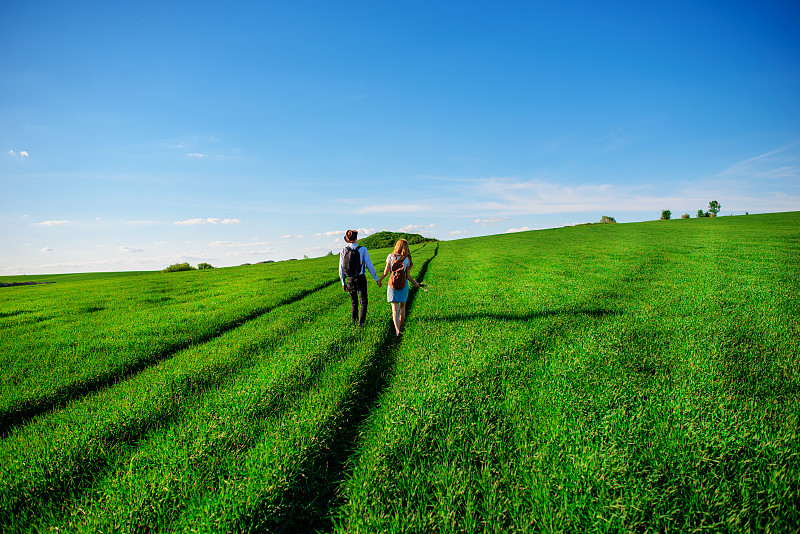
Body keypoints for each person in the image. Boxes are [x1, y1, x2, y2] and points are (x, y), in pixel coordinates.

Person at [378, 238, 420, 337]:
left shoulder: (390, 256)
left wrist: (379, 280)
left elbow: (385, 273)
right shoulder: (408, 258)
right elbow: (408, 276)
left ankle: (397, 330)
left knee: (394, 309)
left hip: (392, 285)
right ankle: (401, 328)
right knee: (402, 307)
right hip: (403, 285)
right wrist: (415, 283)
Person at [339, 229, 381, 326]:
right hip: (361, 278)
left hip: (349, 279)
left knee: (354, 303)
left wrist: (343, 282)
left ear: (348, 239)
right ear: (356, 238)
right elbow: (369, 265)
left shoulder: (343, 250)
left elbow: (341, 268)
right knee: (363, 302)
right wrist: (376, 279)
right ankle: (361, 323)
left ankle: (353, 322)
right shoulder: (363, 249)